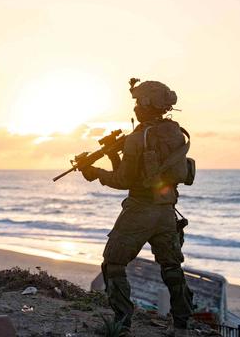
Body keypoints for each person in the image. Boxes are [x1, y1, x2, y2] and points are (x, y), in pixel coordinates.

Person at [80, 78, 194, 336]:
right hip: (167, 211)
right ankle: (182, 327)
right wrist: (113, 155)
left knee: (113, 264)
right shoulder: (174, 132)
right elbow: (149, 171)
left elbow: (123, 180)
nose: (135, 107)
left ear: (145, 103)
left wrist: (95, 172)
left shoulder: (137, 137)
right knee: (172, 268)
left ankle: (122, 326)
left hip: (140, 210)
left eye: (137, 101)